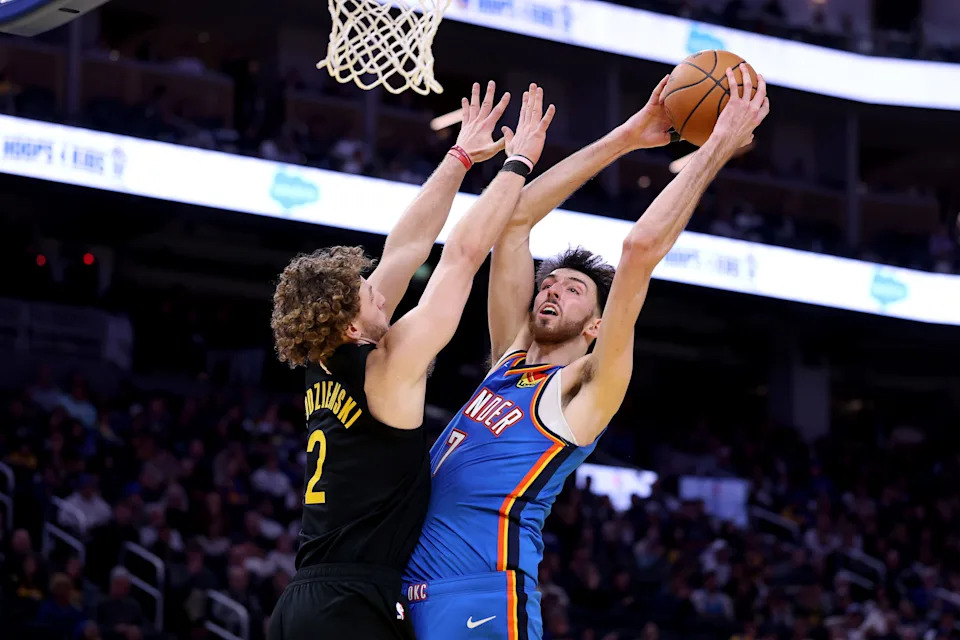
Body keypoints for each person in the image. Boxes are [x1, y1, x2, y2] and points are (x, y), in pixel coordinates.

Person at [403, 66, 770, 640]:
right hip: (410, 590)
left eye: (573, 289)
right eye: (549, 283)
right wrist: (628, 135)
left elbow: (640, 249)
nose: (551, 289)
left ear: (597, 324)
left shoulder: (587, 386)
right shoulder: (510, 359)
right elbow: (516, 220)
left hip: (484, 597)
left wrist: (718, 143)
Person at [267, 81, 556, 640]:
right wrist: (518, 161)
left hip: (303, 602)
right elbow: (463, 256)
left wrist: (461, 157)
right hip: (349, 606)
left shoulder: (324, 356)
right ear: (351, 325)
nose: (379, 291)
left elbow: (406, 247)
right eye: (367, 294)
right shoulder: (388, 366)